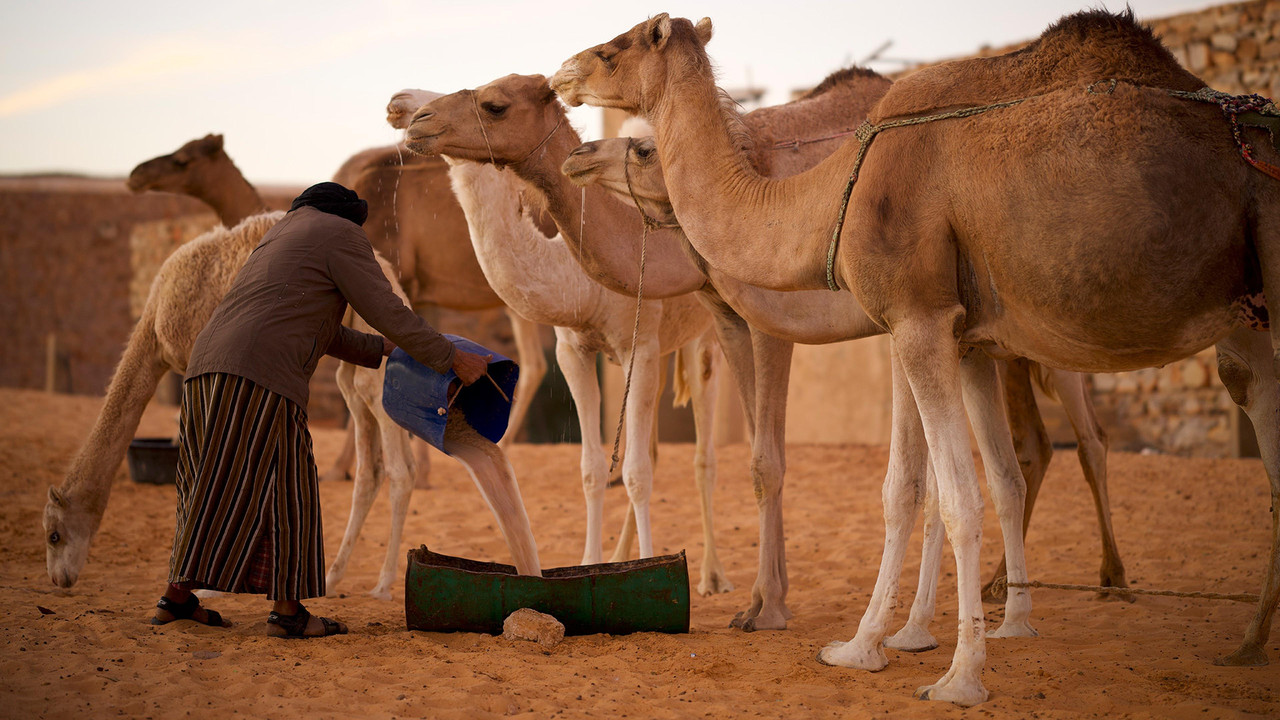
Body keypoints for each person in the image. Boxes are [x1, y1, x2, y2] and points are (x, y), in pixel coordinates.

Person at [150, 181, 490, 638]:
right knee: (291, 490)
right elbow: (388, 308)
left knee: (209, 485)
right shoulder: (342, 233)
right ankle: (289, 615)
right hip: (260, 377)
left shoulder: (280, 237)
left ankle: (176, 600)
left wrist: (383, 349)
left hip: (204, 371)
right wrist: (451, 358)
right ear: (350, 217)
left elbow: (320, 331)